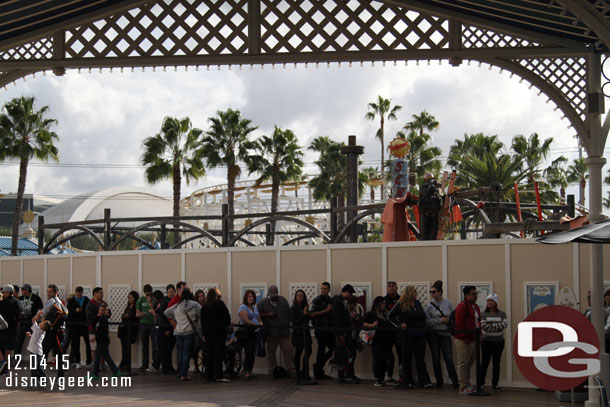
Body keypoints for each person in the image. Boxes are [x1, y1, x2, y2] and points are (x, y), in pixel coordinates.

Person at [388, 286, 432, 389]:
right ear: (410, 293)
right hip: (408, 335)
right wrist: (399, 324)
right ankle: (408, 381)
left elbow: (422, 316)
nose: (417, 293)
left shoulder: (418, 303)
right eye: (415, 291)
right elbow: (390, 316)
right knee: (407, 359)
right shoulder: (401, 304)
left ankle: (424, 381)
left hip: (420, 335)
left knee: (420, 359)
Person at [425, 280, 459, 389]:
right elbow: (427, 321)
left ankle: (454, 380)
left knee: (448, 358)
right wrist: (440, 320)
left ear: (440, 292)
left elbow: (453, 317)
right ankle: (439, 381)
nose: (432, 294)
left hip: (445, 334)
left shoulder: (448, 303)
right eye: (430, 292)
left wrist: (449, 322)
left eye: (434, 292)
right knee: (436, 358)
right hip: (434, 334)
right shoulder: (429, 306)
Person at [164, 288, 201, 381]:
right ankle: (184, 374)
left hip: (178, 332)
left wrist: (175, 319)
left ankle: (181, 372)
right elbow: (201, 314)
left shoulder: (177, 306)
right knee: (186, 353)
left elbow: (166, 312)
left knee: (180, 353)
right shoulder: (195, 305)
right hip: (189, 332)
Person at [257, 285, 295, 377]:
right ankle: (272, 371)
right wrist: (268, 315)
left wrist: (293, 324)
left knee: (288, 351)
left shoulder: (283, 300)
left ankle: (290, 370)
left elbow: (289, 314)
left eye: (276, 295)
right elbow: (257, 316)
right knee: (271, 353)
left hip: (284, 332)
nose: (274, 297)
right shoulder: (262, 303)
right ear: (268, 294)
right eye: (272, 296)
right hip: (271, 333)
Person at [454, 285, 481, 394]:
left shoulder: (475, 306)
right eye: (473, 294)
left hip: (473, 338)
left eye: (476, 294)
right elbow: (459, 323)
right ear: (466, 295)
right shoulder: (462, 306)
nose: (475, 296)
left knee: (469, 362)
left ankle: (467, 383)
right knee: (463, 362)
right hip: (463, 339)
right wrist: (464, 337)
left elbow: (478, 321)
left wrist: (480, 333)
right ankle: (462, 386)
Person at [363, 296, 394, 387]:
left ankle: (389, 377)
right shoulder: (371, 314)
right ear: (378, 304)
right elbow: (363, 323)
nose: (385, 305)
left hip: (387, 340)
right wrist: (372, 325)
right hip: (376, 340)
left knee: (390, 359)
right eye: (383, 303)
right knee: (378, 359)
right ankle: (378, 378)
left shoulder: (386, 313)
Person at [479, 293, 508, 392]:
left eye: (492, 300)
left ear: (496, 302)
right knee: (485, 363)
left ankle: (495, 384)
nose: (489, 302)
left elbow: (505, 324)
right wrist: (497, 325)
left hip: (499, 342)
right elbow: (484, 326)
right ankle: (481, 383)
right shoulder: (483, 314)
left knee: (496, 363)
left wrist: (491, 324)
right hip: (486, 341)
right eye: (488, 300)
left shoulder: (502, 313)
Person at [201, 287, 231, 382]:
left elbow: (202, 322)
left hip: (208, 333)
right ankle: (218, 375)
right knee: (218, 354)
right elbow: (227, 317)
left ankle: (209, 375)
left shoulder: (204, 307)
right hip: (219, 333)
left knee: (210, 354)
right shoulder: (219, 304)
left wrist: (204, 333)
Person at [332, 284, 360, 384]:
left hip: (344, 331)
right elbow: (338, 318)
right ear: (347, 291)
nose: (350, 295)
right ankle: (345, 375)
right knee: (344, 353)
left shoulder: (341, 301)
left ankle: (347, 374)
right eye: (350, 293)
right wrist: (341, 333)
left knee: (347, 353)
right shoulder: (338, 301)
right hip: (342, 332)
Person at [42, 284, 69, 377]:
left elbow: (43, 314)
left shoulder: (51, 302)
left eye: (51, 291)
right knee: (59, 355)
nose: (49, 293)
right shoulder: (60, 303)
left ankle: (40, 375)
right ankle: (60, 375)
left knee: (43, 353)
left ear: (56, 292)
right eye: (48, 291)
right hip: (60, 332)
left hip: (51, 332)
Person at [310, 282, 334, 380]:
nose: (323, 290)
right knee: (321, 349)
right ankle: (319, 370)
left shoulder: (331, 301)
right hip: (320, 329)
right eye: (322, 288)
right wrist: (326, 311)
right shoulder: (317, 300)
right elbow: (313, 314)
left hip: (330, 330)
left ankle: (318, 367)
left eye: (325, 288)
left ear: (329, 290)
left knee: (334, 347)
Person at [91, 303, 121, 380]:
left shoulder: (103, 319)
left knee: (98, 357)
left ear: (105, 311)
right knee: (107, 356)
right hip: (101, 340)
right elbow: (93, 321)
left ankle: (95, 373)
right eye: (100, 310)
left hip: (103, 340)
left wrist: (95, 337)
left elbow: (102, 331)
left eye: (102, 310)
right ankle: (115, 371)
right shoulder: (99, 318)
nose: (100, 311)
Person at [237, 289, 261, 380]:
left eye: (252, 296)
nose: (251, 298)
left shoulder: (255, 307)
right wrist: (255, 325)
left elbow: (259, 318)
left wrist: (261, 324)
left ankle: (250, 371)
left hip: (254, 331)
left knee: (253, 352)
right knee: (249, 351)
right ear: (246, 297)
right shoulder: (243, 307)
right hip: (246, 331)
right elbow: (245, 320)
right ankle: (246, 371)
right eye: (249, 296)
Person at [66, 286, 91, 368]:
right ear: (76, 292)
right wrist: (75, 311)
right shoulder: (72, 301)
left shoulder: (86, 300)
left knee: (88, 342)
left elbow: (89, 309)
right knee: (76, 344)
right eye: (78, 293)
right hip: (74, 325)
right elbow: (68, 313)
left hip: (84, 324)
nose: (79, 295)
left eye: (80, 293)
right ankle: (77, 361)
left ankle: (89, 361)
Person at [15, 283, 43, 356]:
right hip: (22, 322)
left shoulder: (35, 298)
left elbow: (40, 309)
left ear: (28, 290)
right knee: (19, 341)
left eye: (23, 289)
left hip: (32, 323)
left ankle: (34, 357)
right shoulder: (20, 298)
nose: (22, 291)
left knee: (34, 341)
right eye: (22, 289)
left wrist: (38, 317)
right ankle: (16, 358)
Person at [290, 289, 312, 384]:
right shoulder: (293, 308)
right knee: (298, 352)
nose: (300, 297)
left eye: (302, 295)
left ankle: (304, 371)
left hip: (306, 332)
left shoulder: (305, 307)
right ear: (295, 297)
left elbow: (306, 321)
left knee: (309, 351)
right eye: (298, 295)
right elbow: (294, 321)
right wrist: (303, 314)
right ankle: (298, 371)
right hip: (298, 333)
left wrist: (307, 314)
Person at [136, 284, 158, 371]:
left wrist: (150, 302)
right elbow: (137, 314)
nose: (149, 295)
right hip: (143, 324)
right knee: (145, 345)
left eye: (150, 293)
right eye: (147, 294)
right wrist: (140, 314)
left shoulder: (154, 299)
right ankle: (145, 364)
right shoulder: (140, 300)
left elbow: (156, 311)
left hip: (153, 324)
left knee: (154, 345)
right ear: (144, 292)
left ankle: (154, 364)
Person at [0, 285, 21, 374]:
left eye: (4, 292)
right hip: (13, 328)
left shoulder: (2, 303)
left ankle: (3, 363)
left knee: (1, 348)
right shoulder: (17, 302)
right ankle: (6, 368)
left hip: (2, 328)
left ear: (8, 292)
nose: (3, 294)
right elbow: (19, 315)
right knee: (9, 349)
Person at [86, 287, 107, 370]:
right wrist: (98, 316)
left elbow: (108, 314)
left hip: (102, 329)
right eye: (101, 293)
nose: (102, 294)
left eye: (102, 292)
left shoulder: (103, 303)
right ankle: (95, 364)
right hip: (93, 330)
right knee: (94, 348)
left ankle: (102, 363)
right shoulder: (90, 304)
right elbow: (89, 318)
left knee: (103, 348)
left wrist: (107, 314)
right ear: (95, 293)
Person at [26, 310, 51, 380]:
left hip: (34, 351)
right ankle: (42, 378)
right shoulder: (41, 332)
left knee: (34, 367)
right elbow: (35, 338)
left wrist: (38, 314)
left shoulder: (38, 329)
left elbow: (33, 320)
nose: (41, 322)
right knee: (38, 366)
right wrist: (31, 335)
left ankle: (34, 380)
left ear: (43, 326)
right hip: (38, 351)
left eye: (42, 323)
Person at [384, 281, 400, 384]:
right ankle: (388, 376)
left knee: (401, 354)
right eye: (389, 286)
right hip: (387, 332)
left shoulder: (401, 299)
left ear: (397, 287)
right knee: (389, 356)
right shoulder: (384, 300)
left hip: (398, 331)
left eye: (393, 286)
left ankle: (402, 376)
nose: (391, 288)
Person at [118, 290, 139, 370]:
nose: (129, 299)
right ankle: (124, 362)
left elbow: (136, 318)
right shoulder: (128, 306)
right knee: (124, 348)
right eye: (128, 298)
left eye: (131, 298)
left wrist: (128, 316)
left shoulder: (136, 307)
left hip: (130, 330)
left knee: (127, 348)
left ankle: (125, 363)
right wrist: (124, 316)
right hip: (124, 329)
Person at [158, 284, 176, 374]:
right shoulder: (165, 302)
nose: (171, 293)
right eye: (169, 292)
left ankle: (169, 367)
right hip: (166, 329)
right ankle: (166, 368)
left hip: (172, 328)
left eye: (172, 292)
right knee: (166, 349)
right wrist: (166, 329)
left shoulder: (173, 301)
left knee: (169, 349)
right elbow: (163, 316)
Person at [418, 172, 442, 240]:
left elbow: (420, 198)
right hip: (434, 212)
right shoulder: (437, 186)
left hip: (424, 211)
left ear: (425, 180)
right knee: (433, 232)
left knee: (424, 233)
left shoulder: (422, 187)